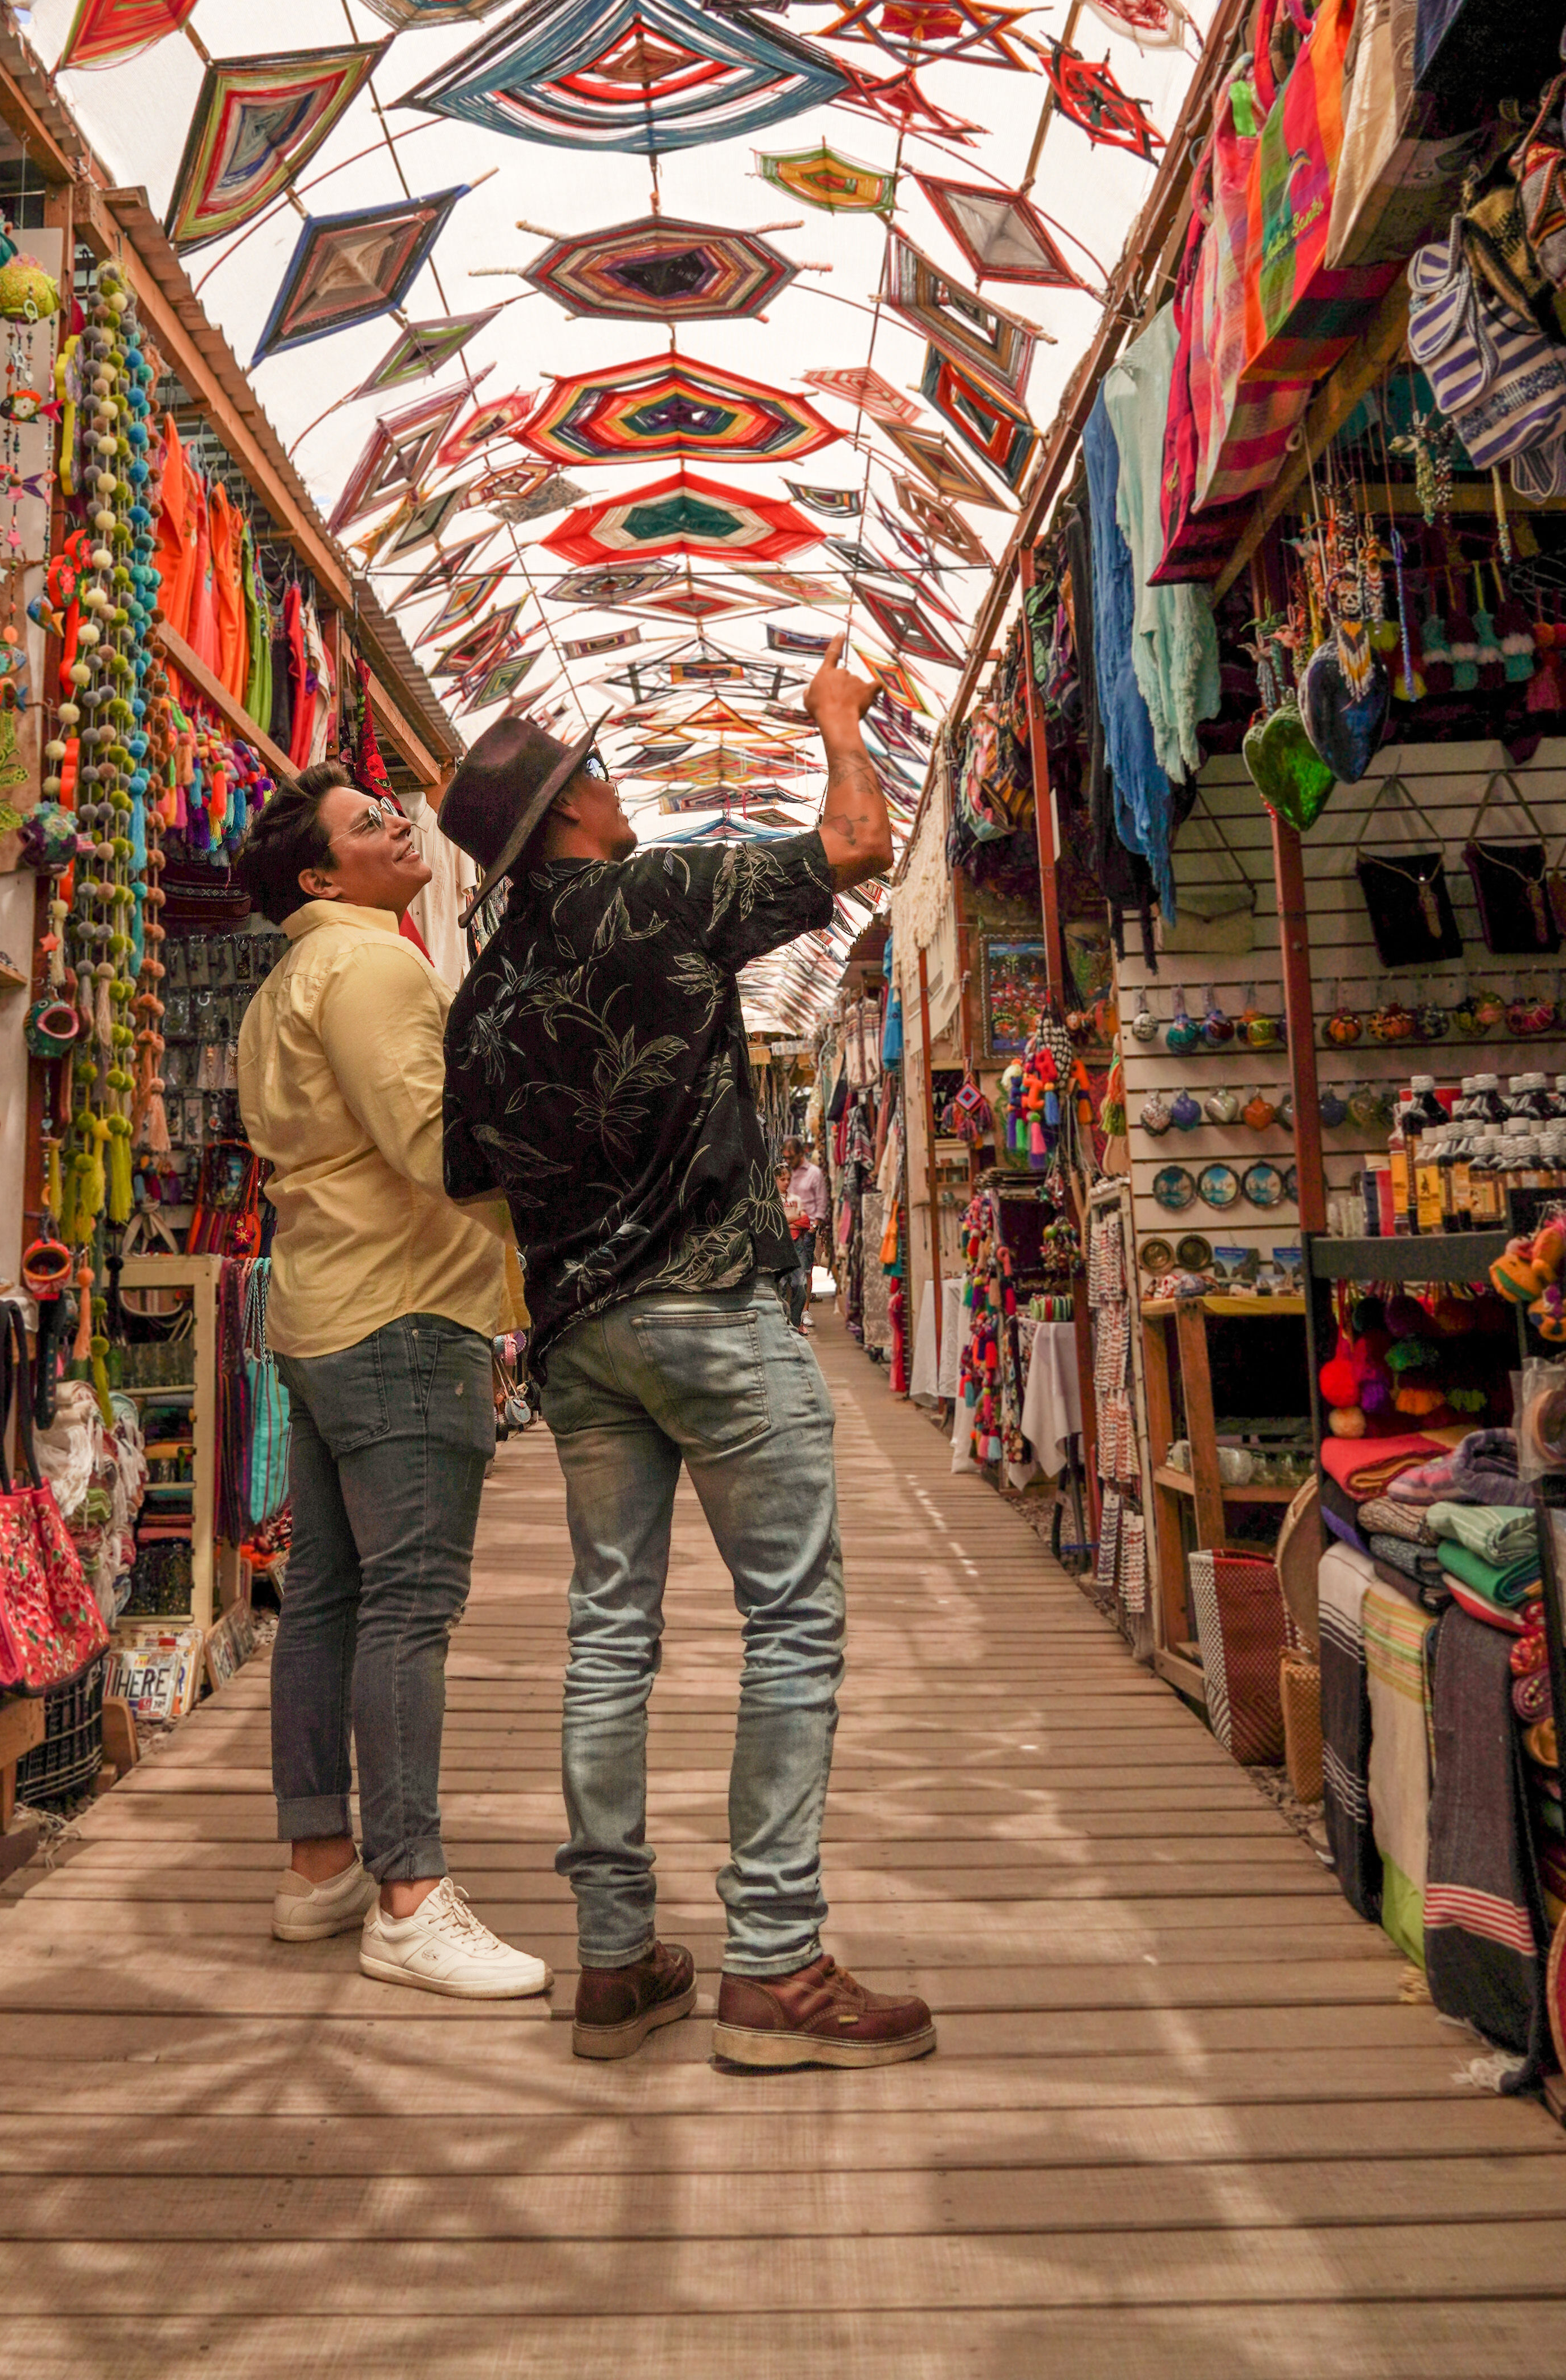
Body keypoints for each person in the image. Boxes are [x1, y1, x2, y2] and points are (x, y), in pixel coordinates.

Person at [440, 639, 936, 2073]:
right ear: (572, 817)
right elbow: (853, 843)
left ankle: (615, 1965)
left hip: (580, 1338)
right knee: (788, 1622)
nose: (613, 784)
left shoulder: (482, 993)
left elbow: (470, 1172)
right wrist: (833, 718)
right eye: (596, 773)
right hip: (714, 1308)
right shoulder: (652, 896)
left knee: (609, 1634)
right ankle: (772, 1965)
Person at [234, 765, 548, 2004]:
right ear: (322, 876)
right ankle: (409, 1896)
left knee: (326, 1600)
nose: (398, 825)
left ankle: (321, 1864)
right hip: (405, 1312)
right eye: (368, 823)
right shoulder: (369, 967)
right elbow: (434, 1146)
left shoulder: (289, 981)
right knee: (407, 1607)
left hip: (325, 1310)